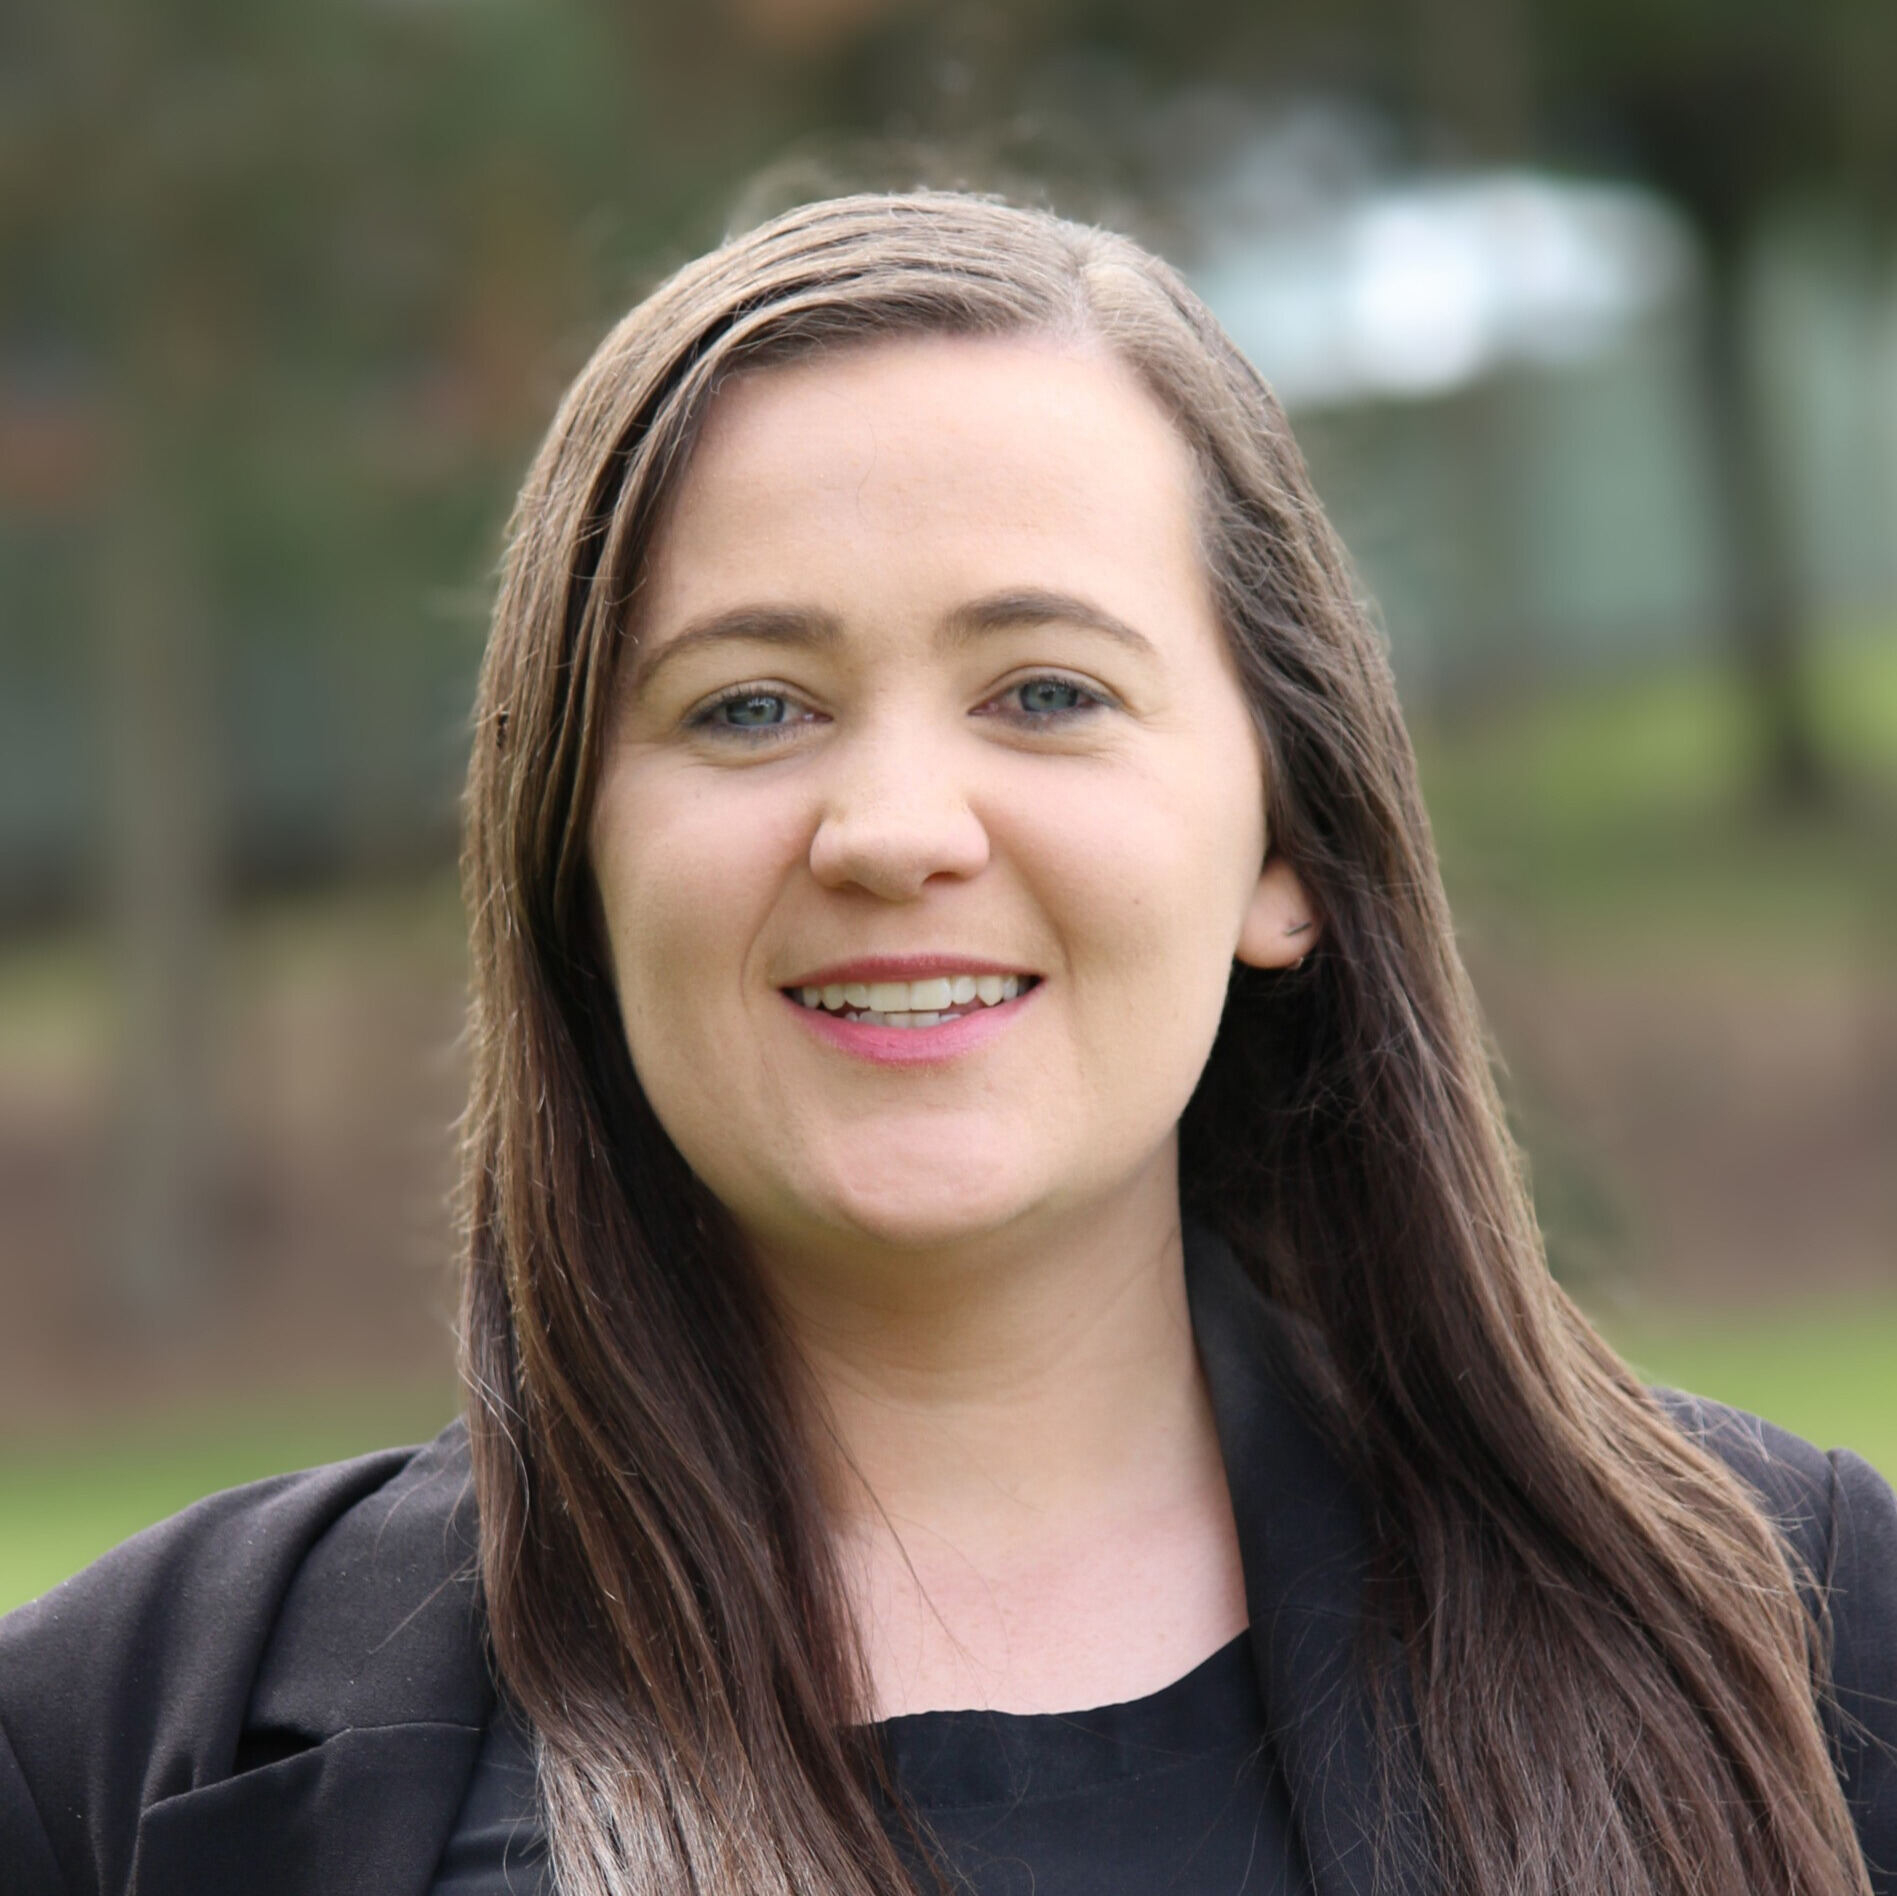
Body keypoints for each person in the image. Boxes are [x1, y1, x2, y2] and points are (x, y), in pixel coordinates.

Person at [2, 190, 1893, 1896]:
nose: (893, 828)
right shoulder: (121, 1750)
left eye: (1046, 692)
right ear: (574, 859)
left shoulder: (1805, 1639)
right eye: (750, 707)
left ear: (1286, 847)